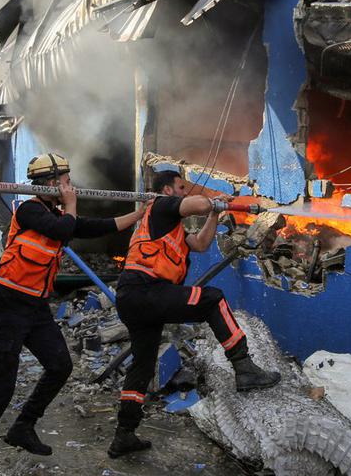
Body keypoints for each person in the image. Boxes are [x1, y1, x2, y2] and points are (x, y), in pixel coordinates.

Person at [0, 154, 144, 476]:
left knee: (60, 366)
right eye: (66, 182)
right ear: (51, 184)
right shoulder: (30, 210)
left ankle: (24, 425)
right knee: (2, 387)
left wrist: (140, 213)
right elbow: (61, 229)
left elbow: (96, 226)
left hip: (35, 306)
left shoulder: (58, 213)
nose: (72, 187)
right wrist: (71, 203)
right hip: (9, 303)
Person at [107, 170, 280, 458]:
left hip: (135, 298)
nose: (185, 192)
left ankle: (123, 435)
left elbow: (199, 244)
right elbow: (199, 205)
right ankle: (245, 369)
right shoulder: (162, 204)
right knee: (212, 299)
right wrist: (216, 201)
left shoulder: (168, 226)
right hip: (145, 290)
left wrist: (215, 215)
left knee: (142, 366)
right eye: (181, 187)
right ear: (167, 189)